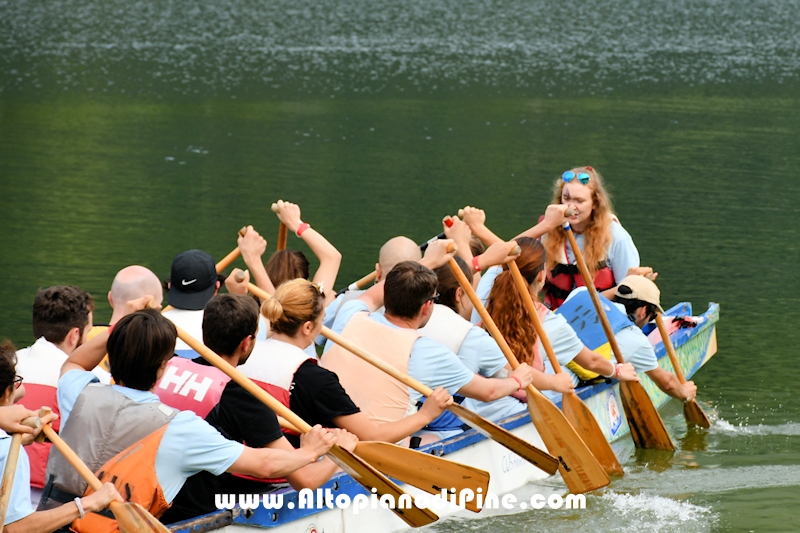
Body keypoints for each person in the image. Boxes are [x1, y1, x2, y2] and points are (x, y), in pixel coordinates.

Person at [38, 302, 337, 533]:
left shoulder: (79, 392)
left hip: (48, 523)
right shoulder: (179, 427)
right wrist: (310, 452)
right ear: (163, 367)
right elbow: (266, 464)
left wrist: (126, 325)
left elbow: (75, 360)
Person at [159, 294, 357, 524]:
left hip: (151, 500)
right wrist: (339, 453)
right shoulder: (240, 396)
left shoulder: (168, 366)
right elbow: (305, 481)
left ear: (205, 334)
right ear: (247, 343)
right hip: (189, 514)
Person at [324, 247, 536, 439]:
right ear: (427, 307)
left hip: (323, 431)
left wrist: (429, 260)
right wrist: (517, 381)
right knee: (450, 428)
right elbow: (488, 392)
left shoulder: (350, 314)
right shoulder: (425, 350)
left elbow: (374, 294)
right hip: (379, 446)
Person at [241, 278, 452, 447]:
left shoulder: (244, 354)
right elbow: (372, 436)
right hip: (285, 474)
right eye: (321, 320)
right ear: (307, 328)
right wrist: (426, 414)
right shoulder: (315, 379)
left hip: (244, 462)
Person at [461, 167, 654, 309]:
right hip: (555, 314)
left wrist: (479, 229)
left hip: (601, 317)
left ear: (595, 203)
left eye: (579, 201)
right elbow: (510, 255)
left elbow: (628, 290)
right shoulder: (549, 228)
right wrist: (545, 226)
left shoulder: (616, 237)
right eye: (566, 198)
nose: (571, 206)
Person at [0, 340, 124, 533]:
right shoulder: (5, 449)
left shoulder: (8, 447)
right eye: (16, 383)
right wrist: (88, 504)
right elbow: (15, 529)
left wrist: (17, 441)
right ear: (7, 392)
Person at [485, 238, 639, 391]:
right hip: (518, 401)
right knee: (565, 374)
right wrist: (618, 370)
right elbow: (591, 361)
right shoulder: (551, 323)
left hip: (477, 397)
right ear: (541, 276)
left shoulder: (483, 302)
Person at [15, 286, 110, 501]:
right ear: (74, 335)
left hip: (8, 481)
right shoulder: (94, 377)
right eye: (89, 331)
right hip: (52, 498)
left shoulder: (11, 363)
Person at [609, 276, 697, 402]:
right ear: (643, 311)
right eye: (652, 317)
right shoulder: (636, 339)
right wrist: (685, 394)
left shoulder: (584, 297)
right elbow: (667, 383)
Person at [266, 200, 342, 307]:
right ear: (306, 280)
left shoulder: (258, 307)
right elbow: (332, 257)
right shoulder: (310, 306)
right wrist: (296, 224)